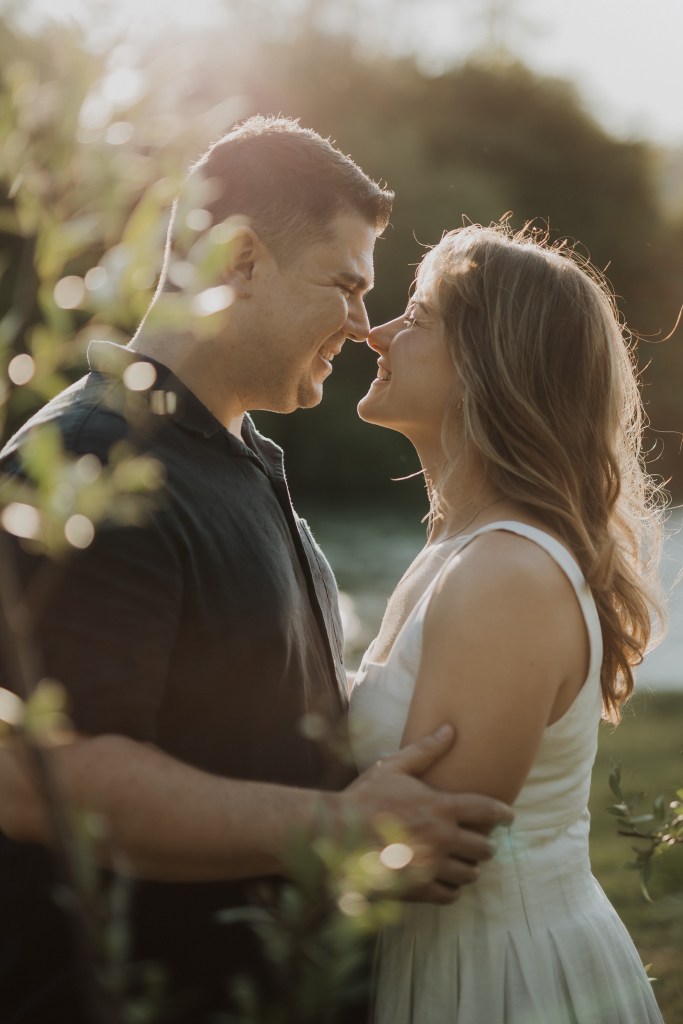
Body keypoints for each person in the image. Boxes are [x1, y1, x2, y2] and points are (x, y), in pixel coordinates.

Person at [0, 119, 511, 1023]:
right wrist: (341, 829)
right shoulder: (91, 465)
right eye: (345, 287)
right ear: (238, 261)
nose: (362, 327)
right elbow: (37, 778)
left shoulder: (241, 456)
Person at [349, 222, 666, 1023]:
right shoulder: (462, 550)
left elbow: (421, 856)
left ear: (488, 364)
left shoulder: (505, 578)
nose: (375, 333)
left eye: (415, 317)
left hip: (500, 983)